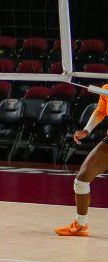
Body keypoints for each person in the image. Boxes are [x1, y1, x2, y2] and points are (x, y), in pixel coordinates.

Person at [55, 82, 108, 236]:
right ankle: (81, 224)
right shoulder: (105, 88)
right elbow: (101, 111)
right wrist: (86, 130)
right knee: (82, 179)